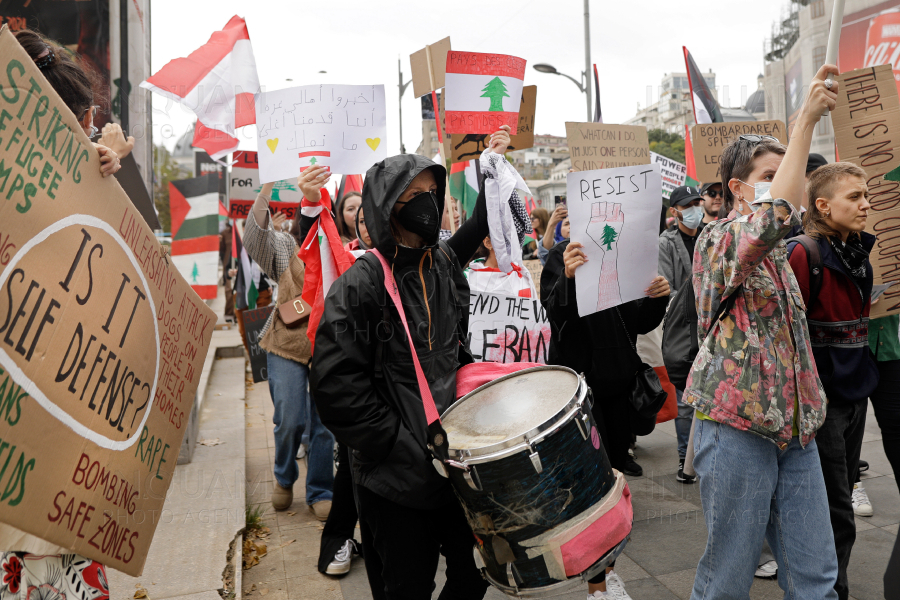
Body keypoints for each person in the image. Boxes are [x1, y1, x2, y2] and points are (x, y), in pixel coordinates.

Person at [310, 127, 514, 600]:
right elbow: (335, 387)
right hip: (393, 480)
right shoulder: (361, 284)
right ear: (387, 206)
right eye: (414, 195)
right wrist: (398, 446)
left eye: (432, 192)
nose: (428, 202)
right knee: (405, 587)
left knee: (478, 573)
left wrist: (491, 162)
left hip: (454, 465)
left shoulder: (442, 263)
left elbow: (483, 219)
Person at [685, 64, 840, 600]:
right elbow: (776, 213)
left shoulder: (784, 253)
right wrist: (804, 127)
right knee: (728, 577)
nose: (785, 182)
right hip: (736, 428)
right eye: (770, 174)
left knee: (816, 574)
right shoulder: (717, 240)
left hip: (796, 431)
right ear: (736, 188)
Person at [0, 28, 125, 600]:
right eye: (72, 128)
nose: (84, 136)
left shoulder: (83, 185)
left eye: (84, 128)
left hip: (55, 495)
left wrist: (103, 175)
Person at [543, 220, 670, 600]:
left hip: (618, 389)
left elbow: (641, 321)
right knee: (592, 489)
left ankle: (605, 573)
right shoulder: (558, 257)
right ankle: (600, 582)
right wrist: (567, 276)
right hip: (580, 392)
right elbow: (555, 313)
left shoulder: (625, 260)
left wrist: (658, 296)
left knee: (613, 484)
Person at [787, 162, 876, 600]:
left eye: (866, 195)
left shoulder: (856, 249)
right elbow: (787, 331)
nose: (866, 204)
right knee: (834, 506)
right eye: (854, 197)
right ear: (822, 206)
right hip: (821, 402)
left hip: (855, 394)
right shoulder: (803, 253)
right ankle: (830, 590)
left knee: (838, 499)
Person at [242, 182, 335, 521]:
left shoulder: (344, 250)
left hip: (327, 349)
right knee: (290, 418)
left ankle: (321, 489)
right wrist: (266, 189)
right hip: (286, 345)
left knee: (325, 423)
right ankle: (283, 477)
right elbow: (253, 238)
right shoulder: (285, 246)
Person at [657, 185, 705, 484]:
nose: (696, 209)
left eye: (698, 203)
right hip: (681, 327)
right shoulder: (665, 243)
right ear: (675, 211)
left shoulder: (709, 235)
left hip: (711, 326)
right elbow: (665, 287)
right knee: (686, 397)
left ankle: (704, 454)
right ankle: (685, 457)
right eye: (689, 205)